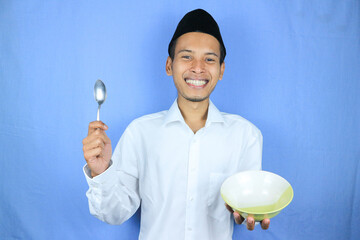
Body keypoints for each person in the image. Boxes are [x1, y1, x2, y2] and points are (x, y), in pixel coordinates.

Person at [82, 9, 270, 240]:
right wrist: (101, 172)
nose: (198, 67)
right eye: (187, 56)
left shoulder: (246, 136)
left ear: (221, 70)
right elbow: (114, 213)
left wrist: (247, 212)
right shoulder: (140, 133)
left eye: (209, 59)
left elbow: (246, 206)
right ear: (169, 65)